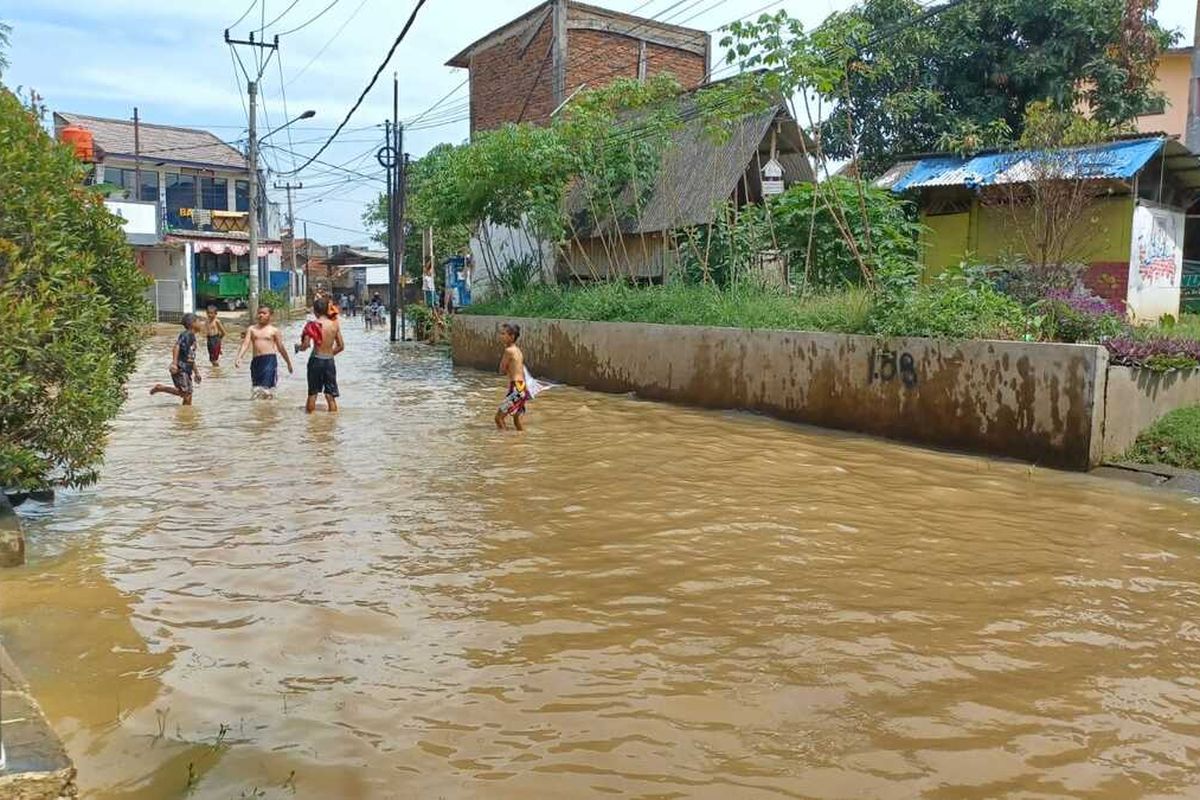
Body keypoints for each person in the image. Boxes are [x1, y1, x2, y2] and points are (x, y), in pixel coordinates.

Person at [234, 303, 294, 398]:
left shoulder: (274, 330)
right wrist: (239, 357)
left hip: (269, 360)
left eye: (264, 313)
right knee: (256, 389)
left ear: (270, 315)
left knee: (267, 389)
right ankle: (259, 410)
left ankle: (268, 409)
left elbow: (281, 348)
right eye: (259, 313)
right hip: (256, 361)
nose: (261, 315)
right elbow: (245, 344)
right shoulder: (252, 329)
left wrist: (288, 363)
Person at [297, 296, 344, 413]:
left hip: (316, 360)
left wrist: (298, 347)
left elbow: (305, 345)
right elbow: (341, 346)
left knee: (312, 393)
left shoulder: (311, 325)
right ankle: (332, 423)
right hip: (329, 361)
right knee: (330, 395)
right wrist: (330, 354)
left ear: (315, 311)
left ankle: (311, 423)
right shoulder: (334, 325)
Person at [150, 313, 203, 405]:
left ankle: (185, 416)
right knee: (184, 392)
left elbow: (191, 357)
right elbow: (176, 346)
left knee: (189, 395)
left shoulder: (192, 337)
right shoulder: (186, 335)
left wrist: (196, 372)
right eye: (199, 321)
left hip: (187, 369)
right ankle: (160, 388)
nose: (201, 323)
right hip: (180, 368)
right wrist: (174, 363)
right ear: (192, 324)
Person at [494, 322, 528, 431]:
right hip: (522, 387)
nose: (501, 336)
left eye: (504, 334)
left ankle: (506, 443)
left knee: (498, 418)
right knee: (517, 418)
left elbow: (501, 371)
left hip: (516, 389)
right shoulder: (518, 350)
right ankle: (521, 439)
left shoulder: (508, 351)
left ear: (512, 336)